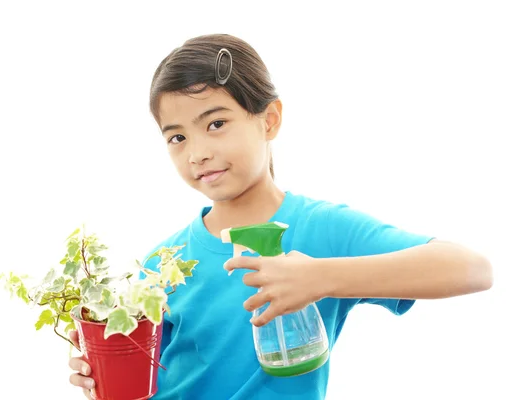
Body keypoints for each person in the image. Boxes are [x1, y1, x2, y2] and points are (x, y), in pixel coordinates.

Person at [67, 34, 493, 399]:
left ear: (269, 120)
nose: (197, 152)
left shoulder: (321, 229)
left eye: (215, 123)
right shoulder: (163, 262)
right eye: (177, 137)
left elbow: (471, 270)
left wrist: (321, 279)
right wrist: (102, 376)